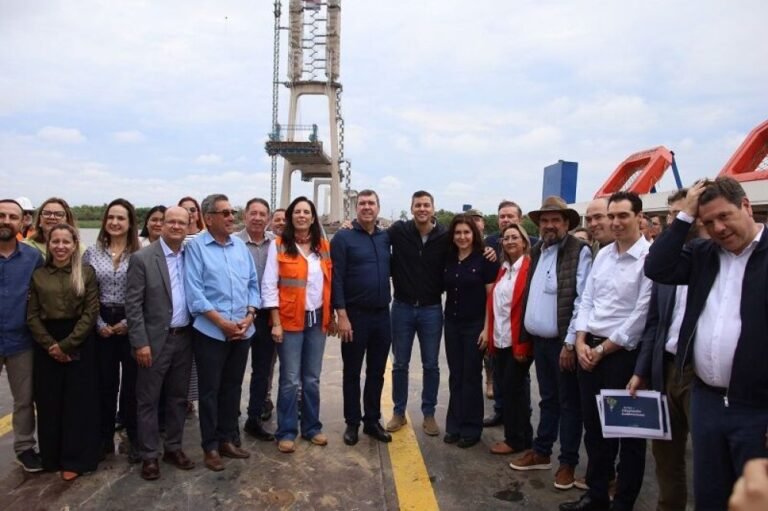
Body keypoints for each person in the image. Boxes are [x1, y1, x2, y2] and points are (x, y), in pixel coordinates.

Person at [645, 178, 768, 511]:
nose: (718, 228)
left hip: (756, 408)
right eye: (708, 222)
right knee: (710, 495)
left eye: (724, 216)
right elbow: (657, 267)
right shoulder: (703, 254)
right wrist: (684, 216)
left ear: (746, 205)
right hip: (707, 400)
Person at [560, 191, 652, 511]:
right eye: (611, 216)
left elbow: (640, 315)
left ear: (639, 217)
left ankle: (623, 502)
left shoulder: (648, 259)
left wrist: (602, 350)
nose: (615, 222)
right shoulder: (603, 255)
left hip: (623, 355)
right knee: (596, 432)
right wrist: (582, 340)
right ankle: (595, 495)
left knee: (629, 436)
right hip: (591, 350)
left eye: (622, 216)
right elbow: (587, 300)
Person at [511, 196, 592, 493]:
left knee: (570, 405)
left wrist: (571, 343)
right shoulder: (538, 250)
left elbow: (583, 300)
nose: (549, 225)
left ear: (567, 223)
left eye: (555, 220)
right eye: (544, 221)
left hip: (562, 343)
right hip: (541, 343)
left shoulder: (578, 251)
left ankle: (567, 462)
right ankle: (542, 451)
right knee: (548, 399)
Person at [626, 189, 694, 511]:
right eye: (672, 217)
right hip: (665, 369)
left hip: (701, 374)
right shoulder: (667, 266)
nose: (676, 223)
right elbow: (654, 323)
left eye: (684, 215)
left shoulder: (717, 260)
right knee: (666, 457)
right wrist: (641, 370)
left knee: (711, 463)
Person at [184, 194, 260, 471]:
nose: (231, 217)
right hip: (211, 333)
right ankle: (211, 447)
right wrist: (222, 323)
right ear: (209, 218)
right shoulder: (196, 249)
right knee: (209, 391)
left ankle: (228, 439)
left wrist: (250, 316)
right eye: (225, 213)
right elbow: (195, 293)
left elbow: (253, 284)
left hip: (242, 331)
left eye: (232, 212)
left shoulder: (240, 247)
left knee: (232, 388)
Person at [126, 206, 196, 481]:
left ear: (189, 226)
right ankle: (149, 456)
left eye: (182, 222)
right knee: (148, 401)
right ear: (162, 225)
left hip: (184, 339)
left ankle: (174, 448)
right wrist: (140, 343)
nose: (177, 226)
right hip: (154, 342)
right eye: (172, 222)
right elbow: (132, 305)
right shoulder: (143, 259)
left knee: (178, 399)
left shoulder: (191, 256)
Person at [27, 223, 100, 481]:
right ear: (48, 244)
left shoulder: (86, 273)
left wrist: (67, 345)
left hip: (78, 338)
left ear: (74, 244)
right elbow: (33, 315)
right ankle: (51, 456)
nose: (60, 247)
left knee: (77, 402)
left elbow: (91, 313)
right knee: (48, 401)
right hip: (46, 340)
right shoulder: (38, 275)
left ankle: (76, 458)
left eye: (65, 242)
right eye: (55, 241)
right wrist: (50, 346)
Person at [262, 196, 333, 453]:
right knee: (291, 380)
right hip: (290, 321)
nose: (302, 215)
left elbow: (327, 284)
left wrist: (332, 317)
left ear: (313, 218)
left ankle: (312, 427)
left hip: (316, 321)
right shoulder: (279, 246)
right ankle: (287, 430)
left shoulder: (323, 246)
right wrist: (276, 323)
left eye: (307, 212)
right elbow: (269, 286)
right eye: (297, 212)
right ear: (291, 217)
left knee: (312, 379)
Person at [330, 189, 393, 446]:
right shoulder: (343, 238)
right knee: (352, 372)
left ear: (378, 207)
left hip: (381, 316)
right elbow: (337, 279)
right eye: (363, 203)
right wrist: (341, 315)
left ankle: (371, 421)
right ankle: (352, 423)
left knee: (377, 372)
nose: (367, 207)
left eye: (371, 203)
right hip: (354, 316)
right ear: (356, 208)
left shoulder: (385, 237)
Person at [83, 198, 143, 463]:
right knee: (105, 383)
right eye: (111, 217)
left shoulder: (140, 255)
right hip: (101, 319)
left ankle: (133, 437)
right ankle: (103, 438)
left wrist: (127, 323)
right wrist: (99, 324)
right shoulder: (92, 253)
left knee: (132, 386)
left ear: (130, 223)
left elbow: (145, 295)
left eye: (121, 218)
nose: (115, 222)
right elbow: (86, 293)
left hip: (131, 320)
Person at [385, 191, 447, 438]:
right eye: (418, 205)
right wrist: (351, 226)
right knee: (400, 363)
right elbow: (374, 235)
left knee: (431, 364)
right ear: (411, 208)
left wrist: (488, 250)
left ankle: (429, 413)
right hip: (402, 307)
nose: (422, 208)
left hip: (432, 308)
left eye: (426, 205)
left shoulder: (444, 235)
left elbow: (469, 245)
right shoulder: (399, 231)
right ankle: (399, 412)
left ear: (433, 209)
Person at [443, 214, 498, 448]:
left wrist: (487, 329)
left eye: (467, 232)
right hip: (452, 324)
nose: (462, 237)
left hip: (475, 325)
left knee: (471, 375)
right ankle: (454, 425)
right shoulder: (448, 258)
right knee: (456, 375)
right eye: (458, 233)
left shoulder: (485, 259)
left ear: (474, 235)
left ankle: (471, 428)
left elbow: (490, 297)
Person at [0, 199, 44, 472]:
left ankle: (25, 447)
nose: (5, 220)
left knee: (25, 399)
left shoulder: (32, 258)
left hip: (21, 341)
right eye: (1, 215)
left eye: (12, 217)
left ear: (22, 222)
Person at [485, 223, 533, 455]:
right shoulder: (504, 269)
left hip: (517, 341)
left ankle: (516, 440)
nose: (510, 241)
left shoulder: (529, 268)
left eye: (515, 237)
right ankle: (523, 436)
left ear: (524, 241)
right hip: (500, 339)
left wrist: (523, 344)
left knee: (515, 391)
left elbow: (526, 309)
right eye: (506, 238)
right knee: (508, 389)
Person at [236, 198, 277, 442]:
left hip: (266, 315)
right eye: (254, 213)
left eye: (263, 214)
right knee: (234, 371)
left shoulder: (276, 244)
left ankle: (254, 419)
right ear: (245, 215)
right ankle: (230, 421)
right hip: (240, 316)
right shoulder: (233, 243)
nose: (258, 218)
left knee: (262, 371)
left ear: (269, 219)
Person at [483, 199, 526, 427]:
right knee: (498, 373)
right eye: (502, 216)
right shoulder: (489, 243)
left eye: (510, 216)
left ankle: (519, 426)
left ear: (520, 219)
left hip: (518, 327)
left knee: (518, 380)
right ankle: (500, 411)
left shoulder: (533, 249)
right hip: (496, 322)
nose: (506, 220)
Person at [177, 197, 202, 414]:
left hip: (200, 307)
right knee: (181, 359)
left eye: (193, 209)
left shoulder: (204, 238)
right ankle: (180, 398)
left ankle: (191, 399)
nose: (189, 213)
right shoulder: (173, 239)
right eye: (184, 210)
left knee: (195, 359)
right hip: (178, 306)